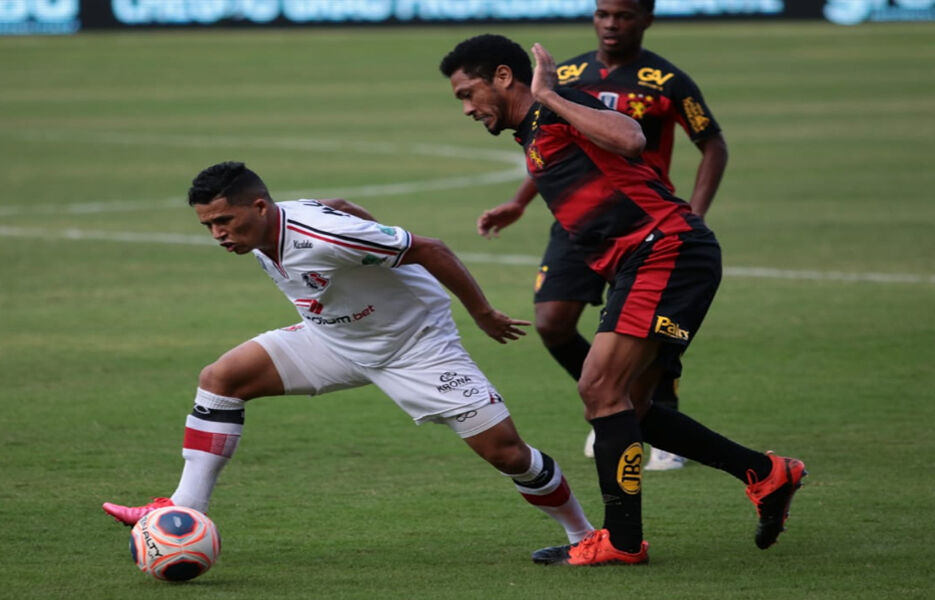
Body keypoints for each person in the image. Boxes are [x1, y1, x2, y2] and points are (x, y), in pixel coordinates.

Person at [102, 161, 596, 557]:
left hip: (415, 346)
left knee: (507, 453)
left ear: (258, 206)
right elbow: (336, 205)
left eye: (224, 221)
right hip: (334, 340)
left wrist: (483, 313)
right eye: (208, 225)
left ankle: (583, 536)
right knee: (220, 378)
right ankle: (185, 510)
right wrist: (358, 223)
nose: (218, 235)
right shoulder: (266, 229)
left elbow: (431, 248)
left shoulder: (322, 237)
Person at [439, 34, 805, 566]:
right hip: (644, 260)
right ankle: (767, 474)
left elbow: (630, 138)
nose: (468, 109)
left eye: (468, 94)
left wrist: (552, 94)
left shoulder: (558, 103)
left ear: (502, 76)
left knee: (599, 387)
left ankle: (622, 542)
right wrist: (520, 202)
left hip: (665, 250)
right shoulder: (532, 130)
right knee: (631, 407)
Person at [474, 0, 729, 472]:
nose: (611, 24)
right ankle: (613, 403)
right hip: (575, 219)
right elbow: (548, 142)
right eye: (603, 14)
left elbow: (711, 141)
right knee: (551, 321)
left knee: (646, 328)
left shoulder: (667, 81)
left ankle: (642, 409)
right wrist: (519, 202)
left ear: (646, 19)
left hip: (643, 220)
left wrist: (697, 212)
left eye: (624, 15)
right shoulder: (562, 75)